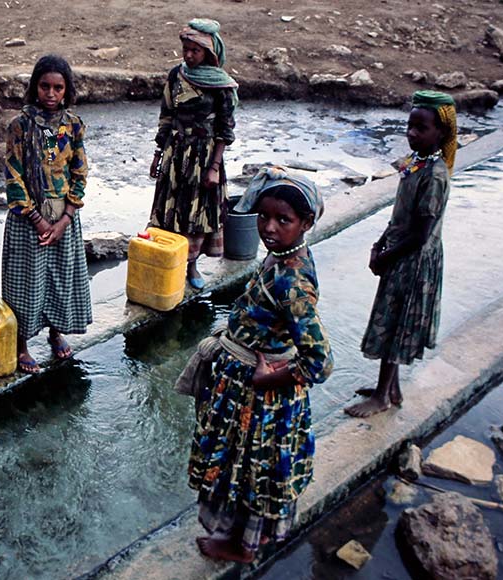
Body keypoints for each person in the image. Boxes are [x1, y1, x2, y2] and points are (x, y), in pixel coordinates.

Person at [177, 167, 333, 562]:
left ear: (306, 223)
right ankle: (248, 539)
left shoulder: (292, 282)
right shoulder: (283, 257)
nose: (269, 227)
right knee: (248, 467)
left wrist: (272, 378)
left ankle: (242, 547)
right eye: (264, 216)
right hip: (252, 385)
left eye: (284, 220)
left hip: (262, 395)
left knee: (250, 469)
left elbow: (320, 361)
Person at [345, 91, 457, 418]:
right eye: (410, 126)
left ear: (441, 133)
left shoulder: (434, 174)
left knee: (396, 324)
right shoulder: (415, 163)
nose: (412, 133)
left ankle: (381, 397)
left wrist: (385, 256)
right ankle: (391, 388)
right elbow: (400, 215)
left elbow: (420, 235)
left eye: (421, 128)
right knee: (392, 318)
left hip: (413, 260)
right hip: (399, 254)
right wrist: (379, 244)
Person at [2, 54, 92, 374]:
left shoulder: (74, 125)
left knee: (59, 277)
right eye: (44, 86)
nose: (51, 94)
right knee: (25, 282)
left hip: (63, 217)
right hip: (29, 220)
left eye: (58, 88)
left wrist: (65, 218)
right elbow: (14, 176)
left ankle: (56, 332)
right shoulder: (20, 126)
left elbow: (79, 173)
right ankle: (22, 345)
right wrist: (38, 219)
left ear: (67, 90)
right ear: (34, 87)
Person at [149, 18, 238, 290]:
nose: (188, 55)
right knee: (170, 209)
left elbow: (225, 130)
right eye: (185, 49)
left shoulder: (222, 86)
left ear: (209, 54)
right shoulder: (177, 75)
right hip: (176, 154)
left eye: (194, 51)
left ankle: (191, 265)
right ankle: (167, 264)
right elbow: (167, 114)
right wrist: (158, 153)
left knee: (196, 213)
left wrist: (213, 167)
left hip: (204, 157)